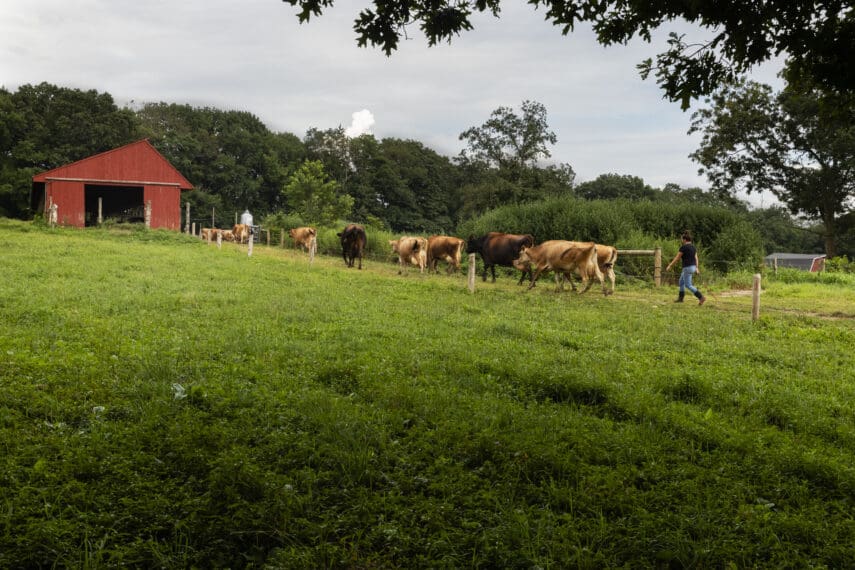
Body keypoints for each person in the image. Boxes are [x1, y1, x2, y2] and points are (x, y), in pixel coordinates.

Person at [665, 231, 706, 305]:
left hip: (687, 268)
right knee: (681, 281)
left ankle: (701, 297)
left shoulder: (683, 248)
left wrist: (670, 266)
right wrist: (697, 268)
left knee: (688, 285)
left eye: (682, 239)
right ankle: (681, 298)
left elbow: (677, 258)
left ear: (684, 240)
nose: (681, 240)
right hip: (693, 267)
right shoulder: (693, 247)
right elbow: (696, 258)